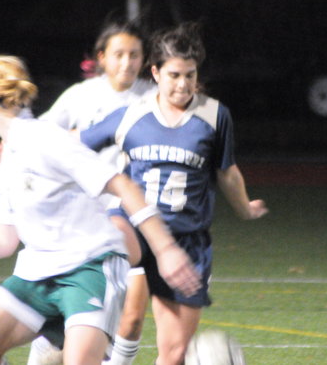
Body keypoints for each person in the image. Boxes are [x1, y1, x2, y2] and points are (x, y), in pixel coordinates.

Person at [0, 55, 201, 365]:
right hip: (37, 274)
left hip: (90, 267)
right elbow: (3, 241)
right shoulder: (9, 157)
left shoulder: (45, 138)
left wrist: (165, 250)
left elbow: (122, 185)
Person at [79, 22, 268, 365]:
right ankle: (64, 329)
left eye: (190, 75)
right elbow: (74, 145)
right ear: (155, 73)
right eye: (174, 75)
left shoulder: (214, 116)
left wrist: (245, 208)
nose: (183, 84)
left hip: (186, 241)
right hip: (136, 229)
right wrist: (18, 145)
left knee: (175, 354)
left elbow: (227, 172)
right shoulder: (131, 115)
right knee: (114, 265)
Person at [28, 18, 155, 365]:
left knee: (130, 315)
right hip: (80, 222)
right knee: (64, 312)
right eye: (119, 54)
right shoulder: (81, 95)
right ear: (102, 57)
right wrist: (10, 146)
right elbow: (41, 134)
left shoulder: (153, 98)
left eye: (134, 54)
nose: (126, 62)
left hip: (131, 220)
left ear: (144, 59)